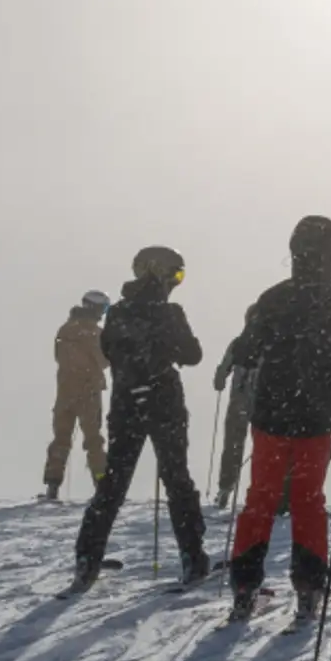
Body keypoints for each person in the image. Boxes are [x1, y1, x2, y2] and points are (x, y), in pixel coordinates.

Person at [223, 217, 331, 622]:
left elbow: (248, 350)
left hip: (271, 415)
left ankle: (245, 587)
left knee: (260, 499)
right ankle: (308, 587)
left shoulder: (273, 298)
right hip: (316, 418)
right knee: (308, 501)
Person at [73, 248, 208, 590]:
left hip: (126, 404)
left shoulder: (118, 312)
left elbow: (109, 351)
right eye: (175, 275)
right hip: (165, 402)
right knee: (176, 478)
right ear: (157, 272)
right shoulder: (170, 312)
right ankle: (193, 558)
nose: (177, 282)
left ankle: (87, 560)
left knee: (114, 482)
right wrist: (168, 350)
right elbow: (193, 354)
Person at [43, 290, 110, 501]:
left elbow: (59, 358)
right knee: (94, 441)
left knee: (60, 440)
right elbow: (105, 360)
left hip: (64, 394)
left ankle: (52, 486)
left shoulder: (65, 329)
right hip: (88, 394)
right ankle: (102, 485)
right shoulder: (95, 333)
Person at [210, 334, 255, 511]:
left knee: (233, 445)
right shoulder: (272, 340)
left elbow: (220, 376)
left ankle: (225, 489)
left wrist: (221, 380)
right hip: (266, 403)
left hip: (239, 399)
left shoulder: (239, 342)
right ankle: (267, 493)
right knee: (265, 448)